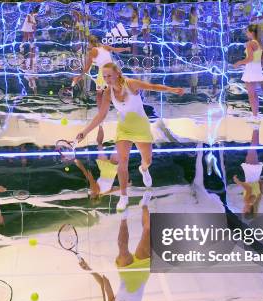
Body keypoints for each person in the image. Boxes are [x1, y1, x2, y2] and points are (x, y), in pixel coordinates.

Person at [75, 63, 183, 212]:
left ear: (117, 74)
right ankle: (124, 196)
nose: (107, 79)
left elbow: (152, 87)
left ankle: (144, 169)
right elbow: (101, 116)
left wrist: (172, 89)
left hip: (141, 127)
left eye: (109, 76)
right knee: (122, 161)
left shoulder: (131, 84)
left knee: (147, 160)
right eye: (104, 76)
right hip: (124, 129)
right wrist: (85, 131)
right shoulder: (108, 93)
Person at [79, 192, 174, 301]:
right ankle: (144, 205)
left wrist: (89, 270)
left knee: (122, 247)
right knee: (148, 230)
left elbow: (105, 282)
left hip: (126, 272)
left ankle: (123, 216)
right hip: (143, 272)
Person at [72, 36, 130, 109]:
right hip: (110, 71)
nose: (87, 45)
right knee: (114, 90)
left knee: (100, 92)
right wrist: (125, 49)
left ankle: (101, 110)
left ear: (90, 43)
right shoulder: (105, 47)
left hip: (105, 72)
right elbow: (116, 50)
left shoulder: (93, 51)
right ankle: (123, 107)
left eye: (88, 44)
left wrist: (79, 77)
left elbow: (86, 68)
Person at [73, 127, 123, 203]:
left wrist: (125, 186)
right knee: (99, 144)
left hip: (112, 170)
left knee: (118, 146)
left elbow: (114, 189)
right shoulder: (95, 190)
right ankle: (100, 124)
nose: (91, 194)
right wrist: (80, 165)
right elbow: (89, 177)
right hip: (104, 168)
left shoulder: (104, 193)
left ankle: (122, 128)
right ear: (95, 196)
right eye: (91, 196)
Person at [234, 24, 263, 122]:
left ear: (252, 33)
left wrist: (239, 63)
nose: (246, 33)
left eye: (247, 32)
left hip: (251, 70)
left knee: (251, 95)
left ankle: (255, 116)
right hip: (257, 68)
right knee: (254, 94)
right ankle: (256, 115)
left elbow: (250, 58)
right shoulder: (260, 43)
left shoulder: (250, 44)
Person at [233, 128, 263, 219]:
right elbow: (248, 187)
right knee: (253, 146)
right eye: (244, 211)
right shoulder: (247, 201)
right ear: (247, 210)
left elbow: (260, 185)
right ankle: (255, 122)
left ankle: (256, 127)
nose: (242, 210)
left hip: (255, 172)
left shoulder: (256, 201)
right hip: (251, 171)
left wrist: (258, 180)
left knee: (253, 147)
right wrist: (237, 181)